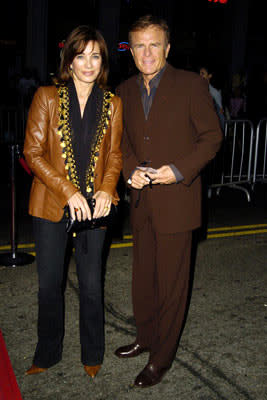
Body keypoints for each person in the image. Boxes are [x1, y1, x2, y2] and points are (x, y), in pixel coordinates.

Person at [114, 15, 222, 388]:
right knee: (143, 278)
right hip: (141, 200)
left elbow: (211, 138)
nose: (146, 52)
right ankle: (145, 337)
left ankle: (162, 357)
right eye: (138, 45)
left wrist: (178, 170)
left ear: (168, 48)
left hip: (178, 200)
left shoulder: (190, 85)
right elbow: (123, 142)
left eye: (154, 44)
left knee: (172, 284)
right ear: (130, 50)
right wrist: (130, 170)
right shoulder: (125, 89)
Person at [23, 25, 122, 378]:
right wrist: (68, 191)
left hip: (96, 207)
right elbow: (32, 153)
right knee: (50, 285)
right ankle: (47, 353)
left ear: (103, 61)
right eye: (81, 56)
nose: (89, 64)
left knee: (92, 284)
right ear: (69, 60)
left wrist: (108, 190)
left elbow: (114, 157)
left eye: (96, 56)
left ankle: (92, 353)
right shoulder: (46, 97)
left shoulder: (113, 104)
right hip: (52, 203)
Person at [199, 65, 226, 130]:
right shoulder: (197, 90)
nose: (200, 76)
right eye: (199, 73)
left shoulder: (215, 92)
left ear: (209, 76)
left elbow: (220, 113)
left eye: (203, 73)